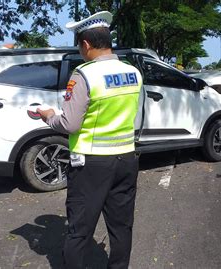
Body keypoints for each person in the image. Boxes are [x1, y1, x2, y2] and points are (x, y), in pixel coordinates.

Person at [36, 11, 142, 269]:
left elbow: (70, 124)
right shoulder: (133, 73)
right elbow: (137, 120)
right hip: (127, 159)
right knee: (121, 227)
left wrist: (48, 115)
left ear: (86, 44)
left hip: (91, 165)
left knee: (79, 230)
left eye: (79, 45)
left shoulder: (84, 75)